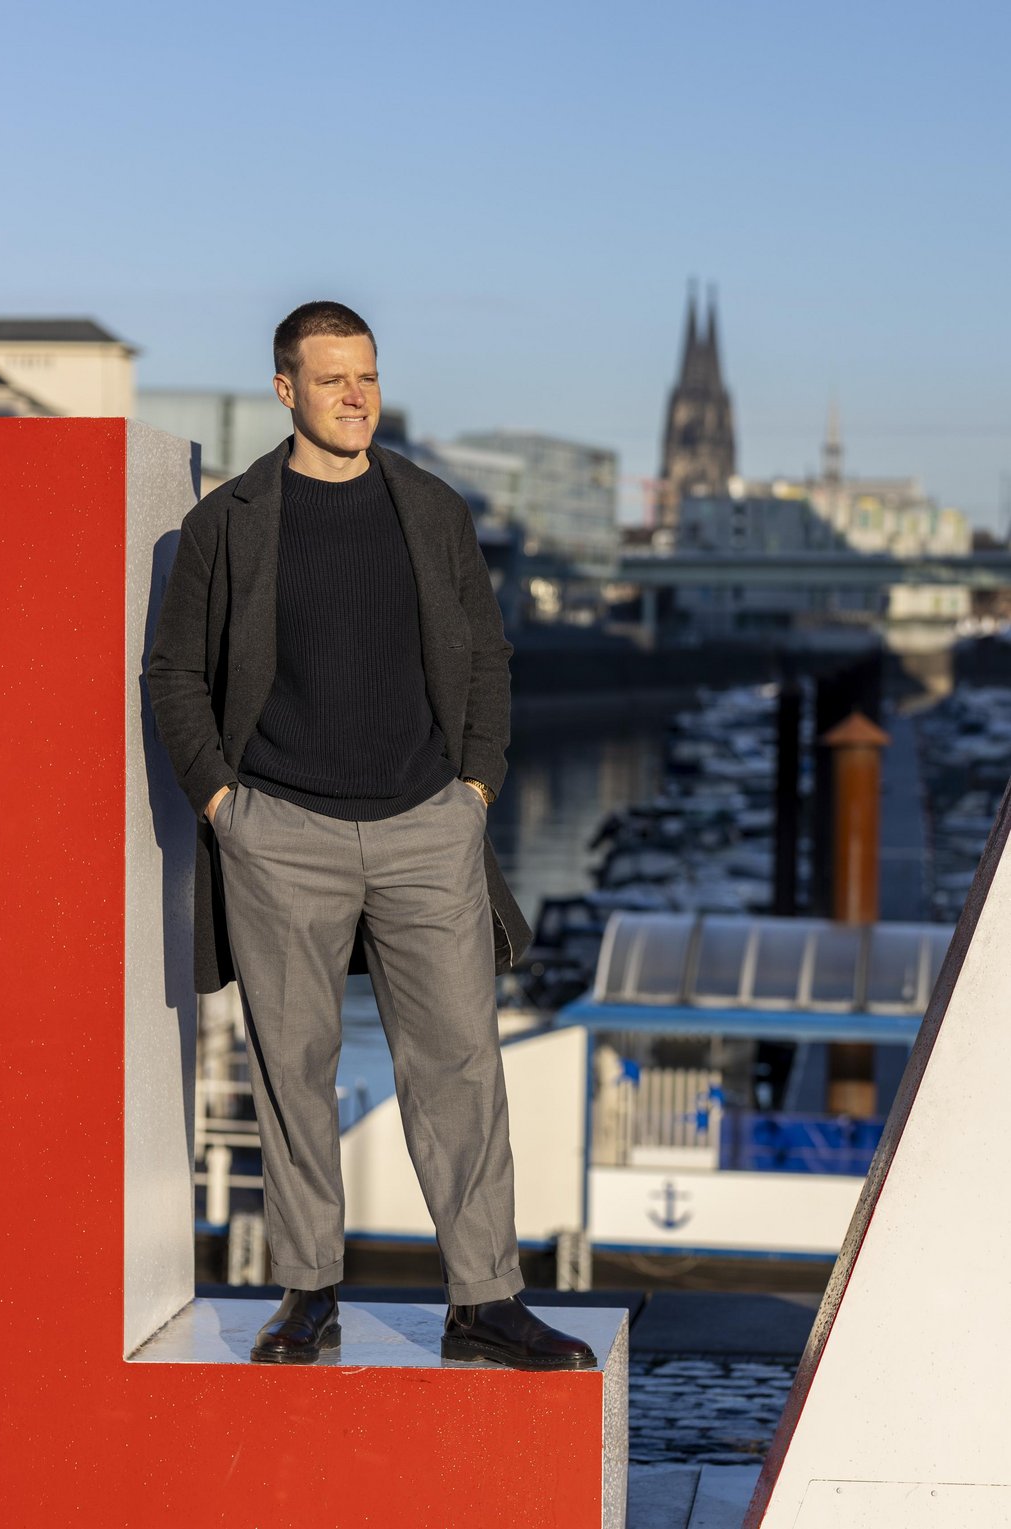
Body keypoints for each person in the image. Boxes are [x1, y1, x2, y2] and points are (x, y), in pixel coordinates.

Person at [146, 300, 596, 1371]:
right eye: (332, 379)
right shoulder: (231, 521)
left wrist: (474, 788)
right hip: (279, 828)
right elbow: (175, 672)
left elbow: (486, 656)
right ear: (285, 390)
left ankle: (483, 1299)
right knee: (292, 1066)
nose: (356, 397)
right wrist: (223, 804)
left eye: (369, 378)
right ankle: (307, 1293)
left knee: (458, 1065)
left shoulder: (431, 508)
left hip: (426, 827)